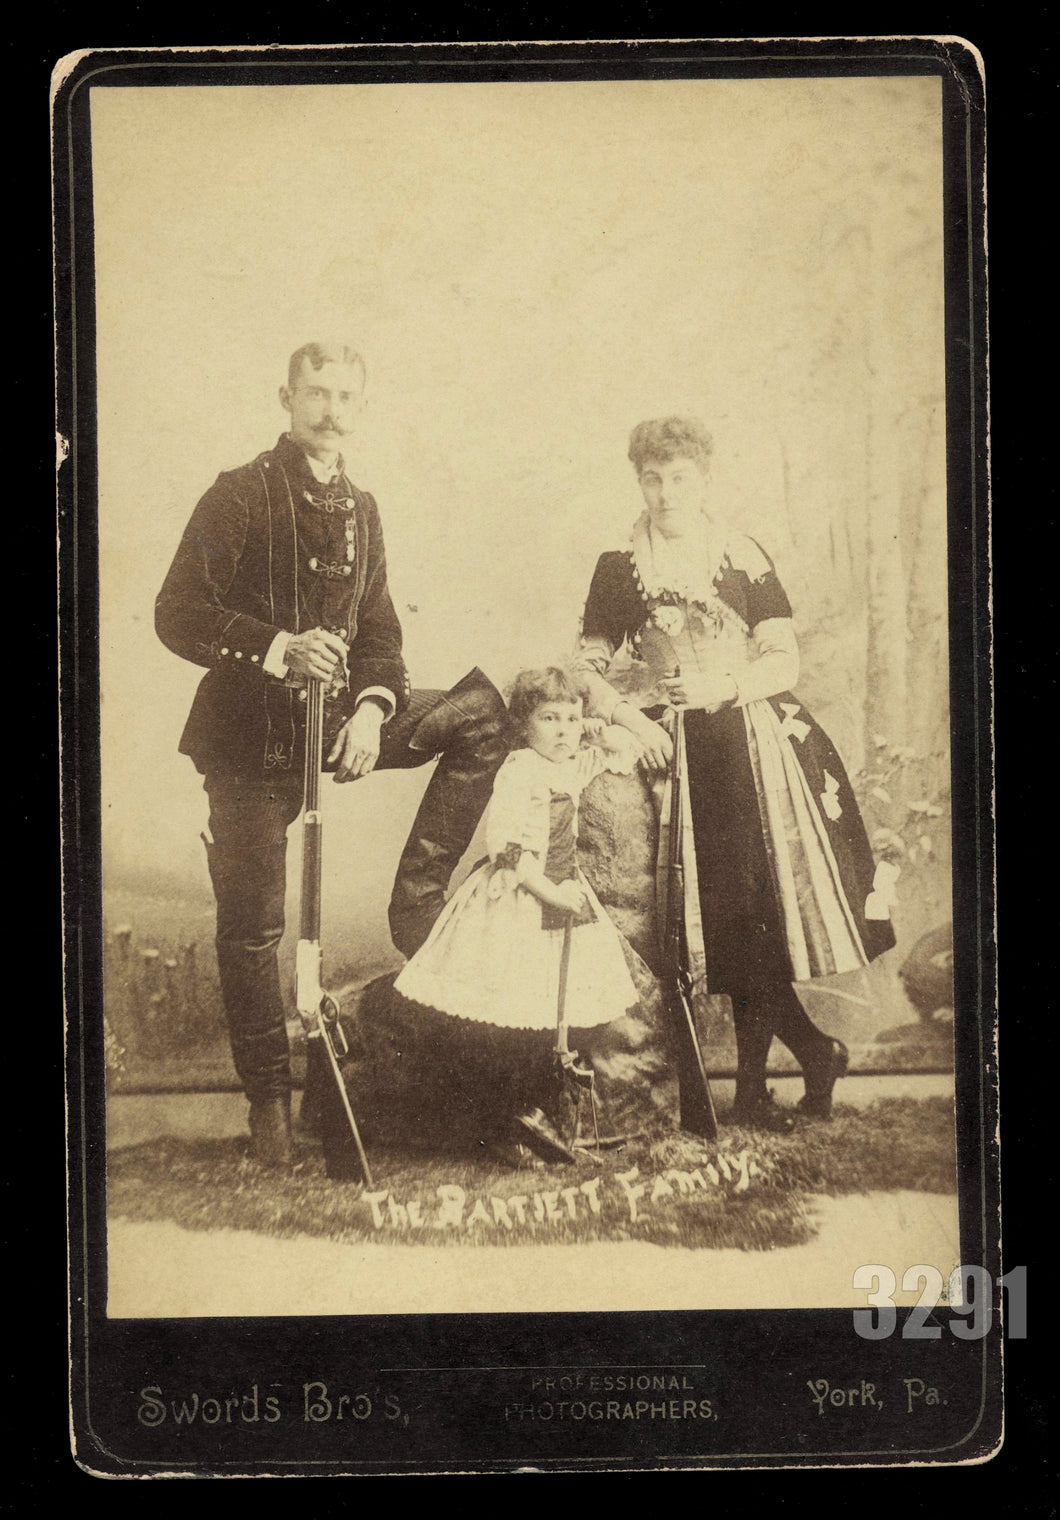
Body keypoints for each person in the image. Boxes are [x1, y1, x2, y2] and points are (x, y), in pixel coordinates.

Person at [155, 341, 507, 1169]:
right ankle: (271, 1104)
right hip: (248, 740)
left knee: (485, 713)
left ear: (362, 406)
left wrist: (375, 712)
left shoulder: (364, 507)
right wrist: (278, 646)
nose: (331, 409)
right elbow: (177, 612)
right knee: (253, 929)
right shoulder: (238, 493)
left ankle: (417, 906)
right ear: (286, 396)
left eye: (347, 396)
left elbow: (380, 630)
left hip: (338, 721)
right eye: (317, 392)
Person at [573, 417, 896, 1132]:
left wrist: (723, 688)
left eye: (679, 477)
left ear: (704, 478)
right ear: (639, 481)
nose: (665, 492)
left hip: (748, 748)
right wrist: (632, 723)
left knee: (751, 924)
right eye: (652, 478)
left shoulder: (741, 554)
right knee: (706, 931)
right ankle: (806, 1057)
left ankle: (760, 1084)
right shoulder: (617, 562)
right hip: (664, 750)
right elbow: (587, 669)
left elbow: (784, 660)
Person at [391, 667, 640, 1164]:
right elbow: (506, 850)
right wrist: (553, 895)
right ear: (524, 724)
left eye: (571, 718)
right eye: (550, 718)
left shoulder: (570, 764)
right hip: (518, 896)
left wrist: (594, 728)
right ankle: (501, 1122)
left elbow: (625, 748)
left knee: (550, 1010)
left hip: (561, 892)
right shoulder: (519, 768)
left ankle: (538, 1115)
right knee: (508, 1012)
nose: (563, 730)